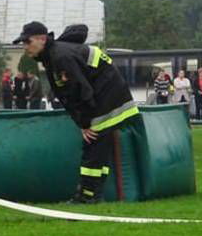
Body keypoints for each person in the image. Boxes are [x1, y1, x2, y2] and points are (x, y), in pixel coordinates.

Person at [14, 21, 138, 204]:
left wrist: (85, 123)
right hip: (110, 97)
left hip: (107, 100)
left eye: (27, 42)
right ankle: (95, 195)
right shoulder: (54, 55)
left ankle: (87, 196)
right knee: (99, 148)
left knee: (92, 146)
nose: (25, 47)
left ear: (41, 39)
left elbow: (80, 91)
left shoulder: (60, 56)